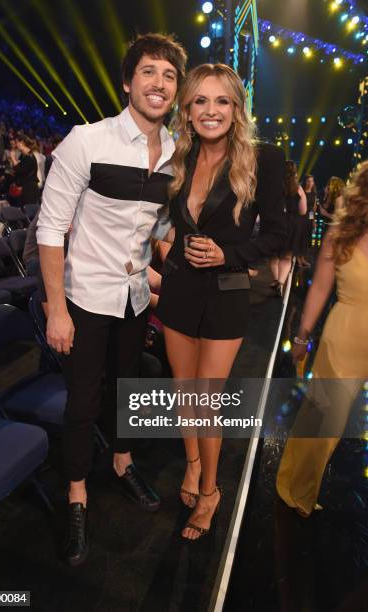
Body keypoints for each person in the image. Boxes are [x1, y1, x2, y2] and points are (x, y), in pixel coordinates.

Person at [37, 33, 187, 566]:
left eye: (169, 76)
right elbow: (51, 228)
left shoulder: (174, 153)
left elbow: (160, 229)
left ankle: (121, 464)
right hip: (84, 296)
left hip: (134, 295)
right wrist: (56, 308)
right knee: (82, 400)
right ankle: (76, 493)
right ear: (128, 82)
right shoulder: (86, 140)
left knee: (127, 387)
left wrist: (189, 271)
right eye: (149, 72)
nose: (159, 83)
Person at [155, 63, 287, 540]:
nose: (211, 111)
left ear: (237, 107)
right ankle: (192, 464)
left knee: (207, 399)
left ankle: (211, 491)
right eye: (200, 102)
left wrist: (228, 254)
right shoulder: (178, 157)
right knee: (183, 390)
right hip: (177, 288)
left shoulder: (262, 160)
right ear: (186, 111)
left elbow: (279, 233)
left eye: (222, 101)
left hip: (226, 290)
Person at [276, 161, 368, 518]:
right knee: (323, 423)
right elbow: (319, 290)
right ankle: (296, 489)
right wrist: (302, 336)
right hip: (344, 337)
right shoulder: (341, 233)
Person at [270, 161, 307, 297]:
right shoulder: (298, 188)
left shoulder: (274, 186)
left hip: (276, 222)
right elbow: (303, 211)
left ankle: (275, 280)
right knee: (286, 257)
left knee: (274, 255)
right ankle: (280, 282)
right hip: (292, 225)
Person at [11, 135, 39, 205]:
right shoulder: (23, 156)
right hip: (25, 187)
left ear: (22, 143)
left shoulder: (29, 157)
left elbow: (20, 171)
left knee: (28, 211)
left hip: (30, 189)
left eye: (16, 142)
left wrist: (13, 158)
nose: (15, 145)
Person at [298, 173, 318, 267]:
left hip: (308, 218)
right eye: (308, 181)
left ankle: (302, 258)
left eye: (312, 181)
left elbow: (312, 210)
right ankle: (298, 258)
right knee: (300, 238)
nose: (310, 183)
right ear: (305, 181)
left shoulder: (314, 194)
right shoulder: (302, 192)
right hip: (301, 217)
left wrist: (313, 221)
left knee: (306, 239)